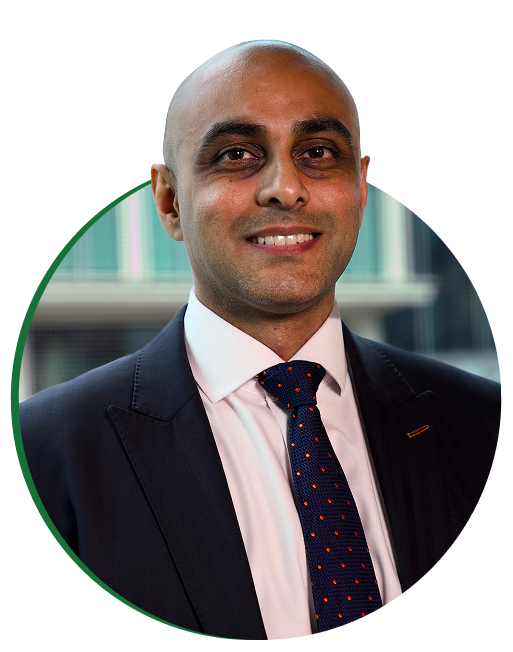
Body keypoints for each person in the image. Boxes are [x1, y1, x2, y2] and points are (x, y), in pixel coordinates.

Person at [19, 40, 500, 640]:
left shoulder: (482, 422)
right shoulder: (45, 453)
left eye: (318, 152)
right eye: (237, 154)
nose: (285, 188)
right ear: (169, 201)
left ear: (360, 187)